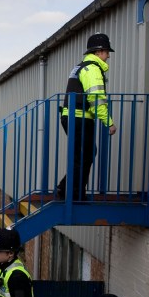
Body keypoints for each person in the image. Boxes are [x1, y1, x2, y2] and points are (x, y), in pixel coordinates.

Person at [57, 33, 117, 202]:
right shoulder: (92, 69)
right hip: (79, 118)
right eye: (106, 52)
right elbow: (96, 99)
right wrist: (109, 123)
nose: (108, 56)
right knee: (86, 154)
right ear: (99, 52)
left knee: (83, 154)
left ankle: (67, 188)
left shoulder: (81, 66)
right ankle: (74, 193)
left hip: (73, 117)